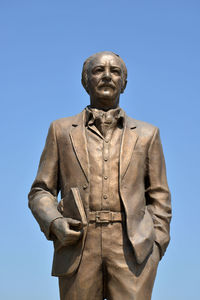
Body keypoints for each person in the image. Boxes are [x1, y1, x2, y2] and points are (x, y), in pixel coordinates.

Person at [28, 51, 172, 300]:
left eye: (115, 71)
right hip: (78, 247)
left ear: (124, 83)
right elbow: (41, 191)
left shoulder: (148, 135)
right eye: (98, 71)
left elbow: (159, 197)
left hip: (133, 250)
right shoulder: (61, 131)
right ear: (85, 81)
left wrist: (156, 246)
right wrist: (54, 222)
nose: (107, 76)